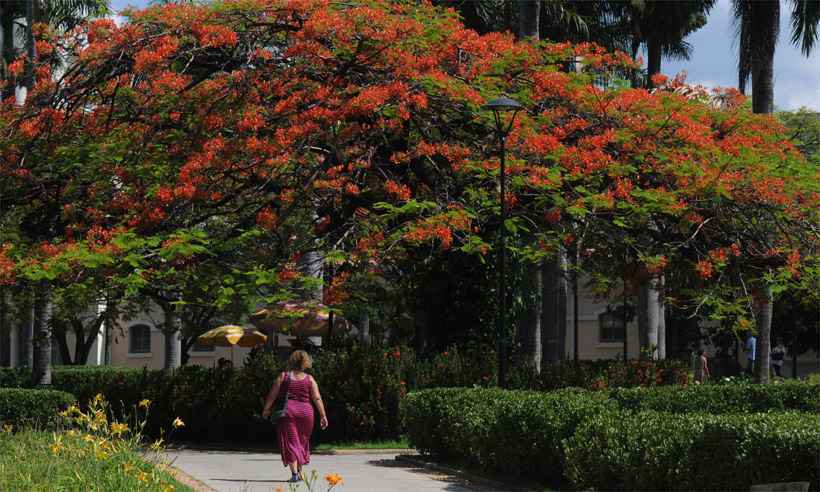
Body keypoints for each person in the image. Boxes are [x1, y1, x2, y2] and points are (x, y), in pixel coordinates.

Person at [262, 350, 328, 483]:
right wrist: (323, 415)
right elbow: (317, 398)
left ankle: (294, 475)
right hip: (307, 414)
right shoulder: (310, 379)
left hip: (289, 413)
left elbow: (273, 394)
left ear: (291, 360)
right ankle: (299, 472)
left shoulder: (283, 376)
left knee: (291, 442)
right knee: (301, 443)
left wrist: (266, 409)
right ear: (305, 363)